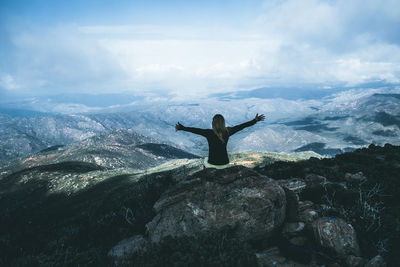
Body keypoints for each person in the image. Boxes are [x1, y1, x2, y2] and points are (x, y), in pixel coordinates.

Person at [175, 113, 265, 167]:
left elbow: (195, 130)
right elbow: (242, 126)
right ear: (223, 122)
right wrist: (254, 120)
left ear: (213, 123)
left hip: (212, 163)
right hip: (225, 163)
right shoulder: (228, 131)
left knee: (205, 160)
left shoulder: (208, 133)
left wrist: (182, 128)